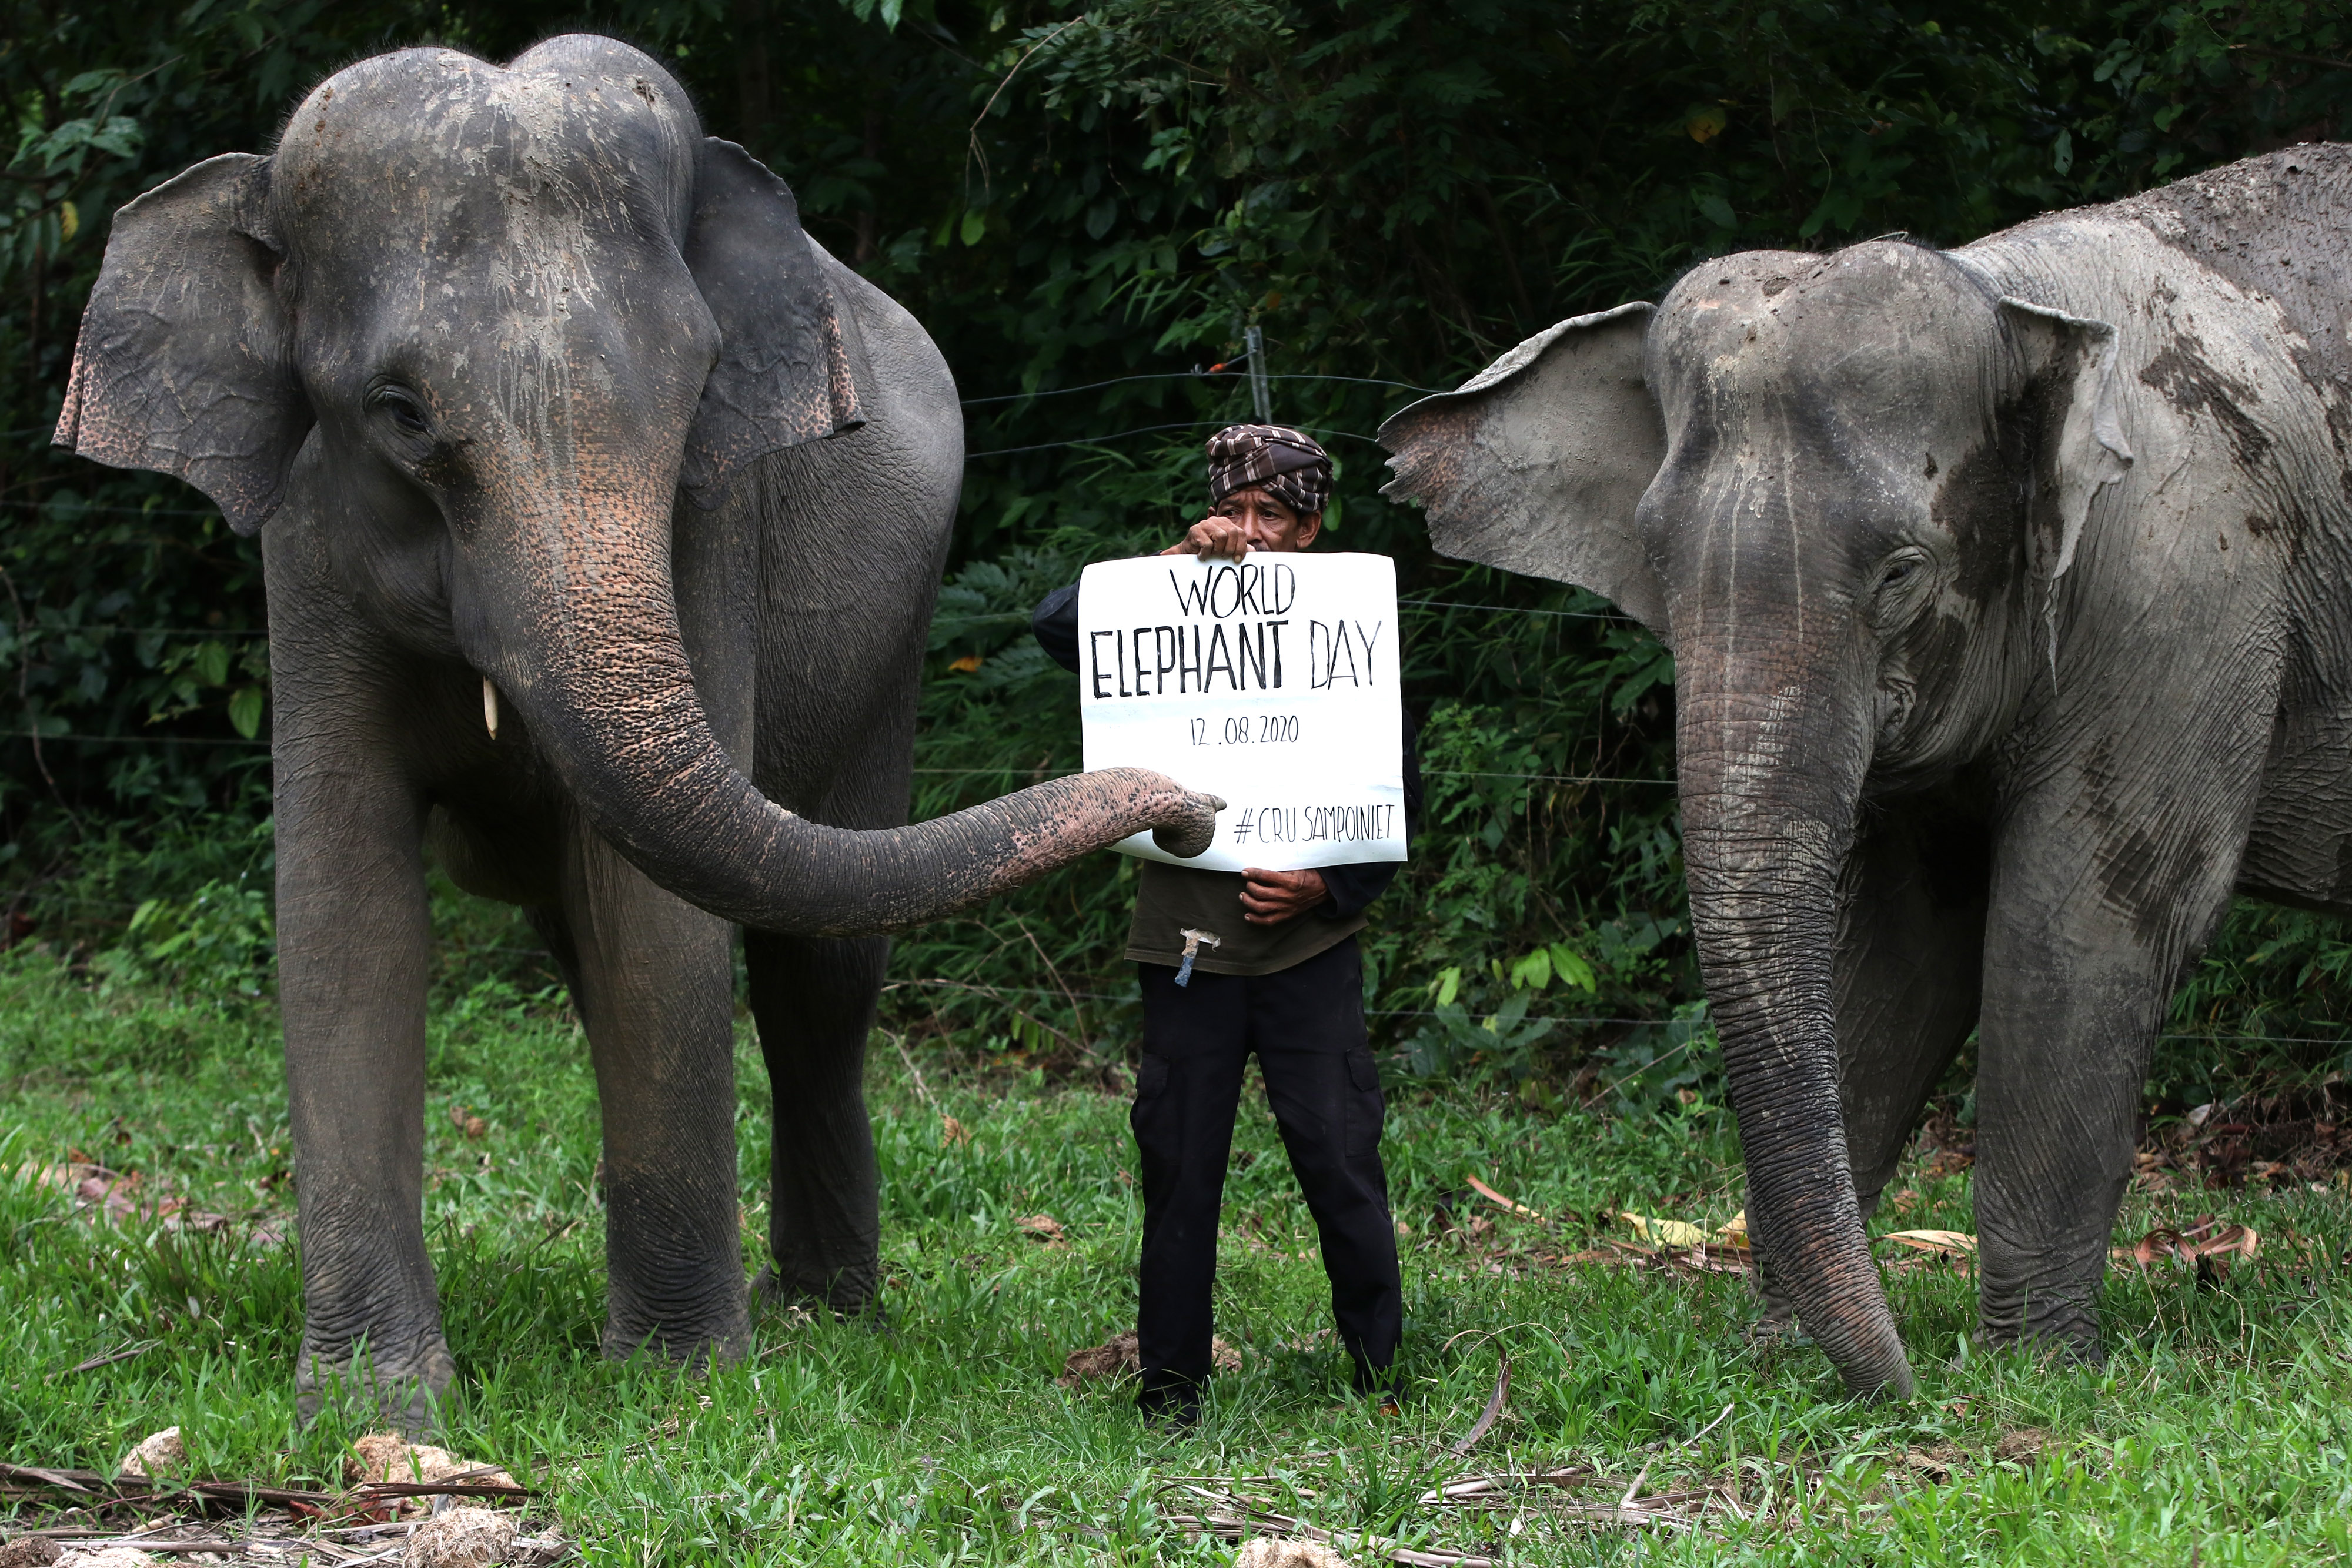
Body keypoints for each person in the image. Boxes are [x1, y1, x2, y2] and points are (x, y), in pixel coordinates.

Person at [1031, 423, 1422, 1429]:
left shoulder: (1350, 621)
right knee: (1180, 1172)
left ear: (1312, 525)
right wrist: (1164, 572)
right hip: (1185, 953)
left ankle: (1379, 1377)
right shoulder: (1169, 594)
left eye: (1275, 517)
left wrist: (1327, 891)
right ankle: (1168, 1394)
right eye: (1236, 511)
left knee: (1340, 1163)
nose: (1252, 533)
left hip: (1310, 954)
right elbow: (1055, 627)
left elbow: (1392, 791)